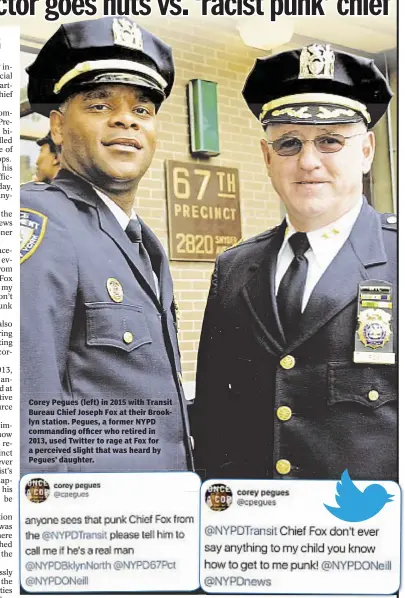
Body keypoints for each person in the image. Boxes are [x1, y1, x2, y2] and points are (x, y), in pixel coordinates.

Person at [192, 44, 397, 481]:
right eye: (288, 143)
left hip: (367, 535)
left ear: (365, 152)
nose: (308, 161)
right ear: (267, 158)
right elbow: (212, 417)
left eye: (330, 141)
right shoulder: (233, 269)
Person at [20, 17, 194, 474]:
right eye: (99, 105)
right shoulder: (39, 221)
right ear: (58, 128)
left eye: (142, 110)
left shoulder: (143, 241)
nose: (125, 119)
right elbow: (24, 420)